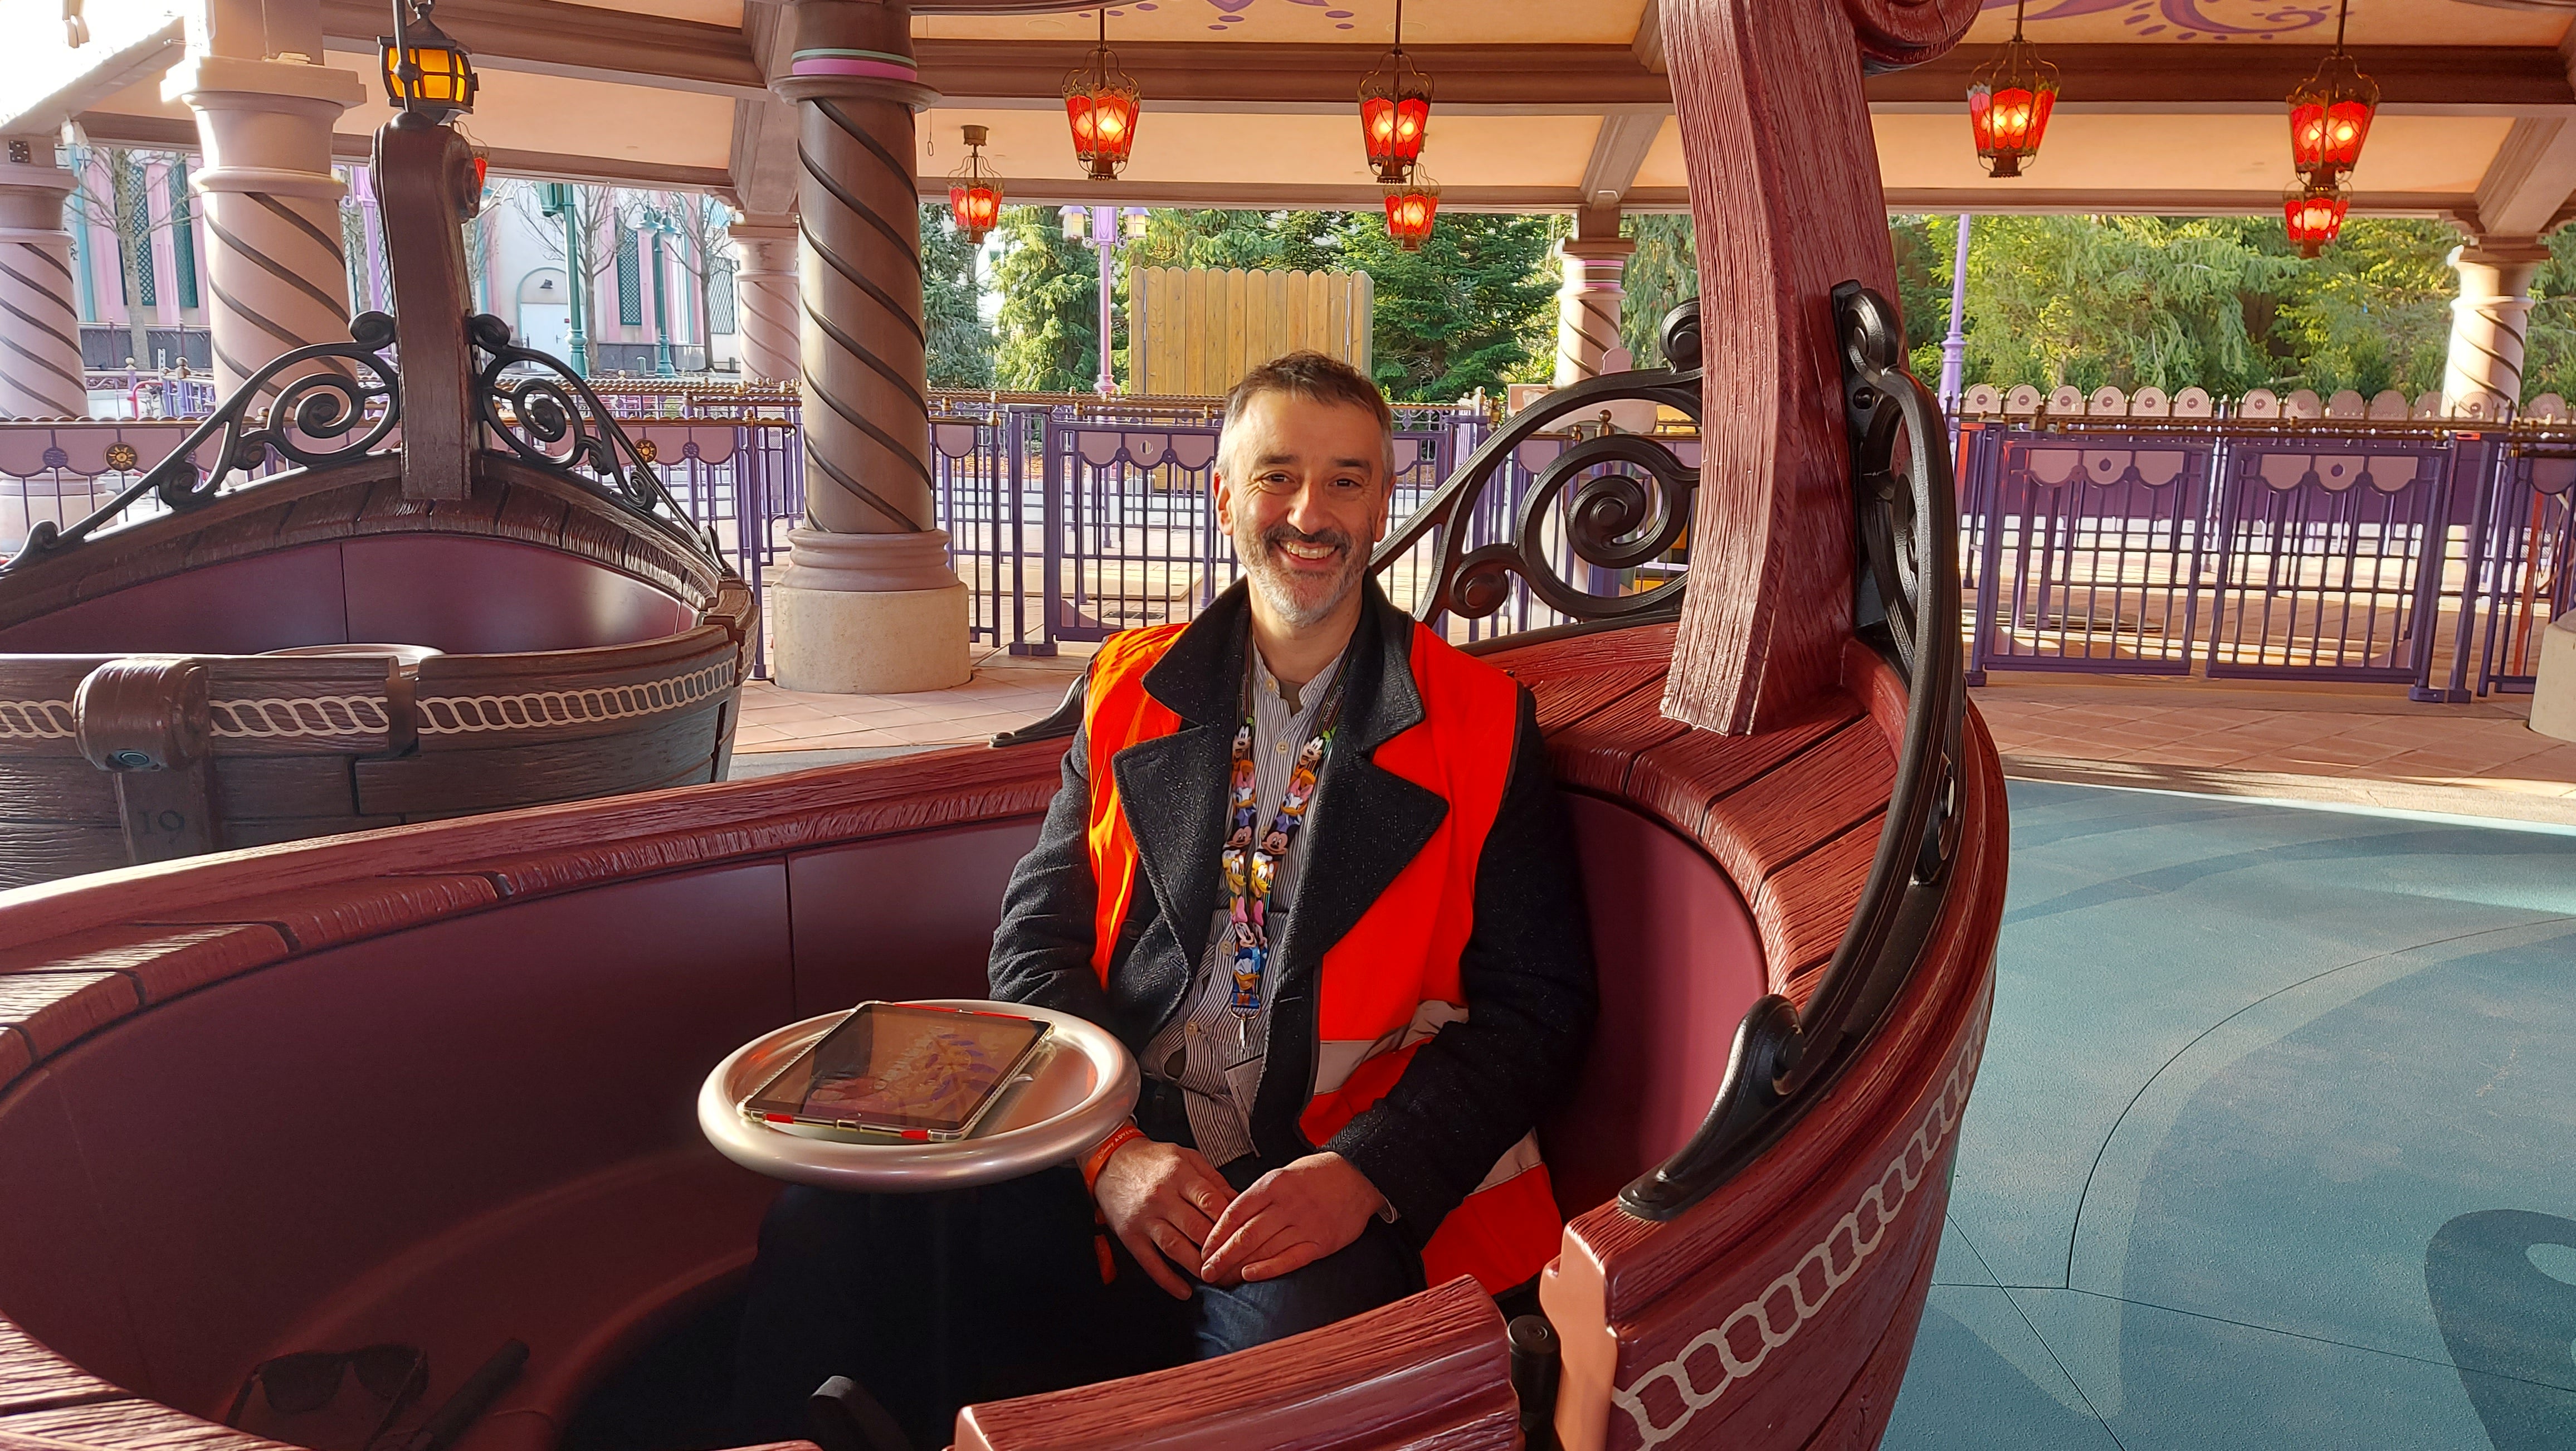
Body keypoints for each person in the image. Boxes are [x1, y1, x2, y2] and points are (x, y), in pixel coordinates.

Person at [733, 352, 1596, 1449]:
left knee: (1287, 1375)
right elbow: (1034, 950)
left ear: (1384, 498)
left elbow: (1538, 1011)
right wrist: (1105, 1153)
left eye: (1343, 479)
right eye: (1276, 475)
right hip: (1118, 1129)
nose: (1309, 513)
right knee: (827, 1221)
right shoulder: (1127, 688)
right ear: (1225, 494)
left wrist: (1367, 1174)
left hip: (1315, 1168)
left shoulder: (1481, 722)